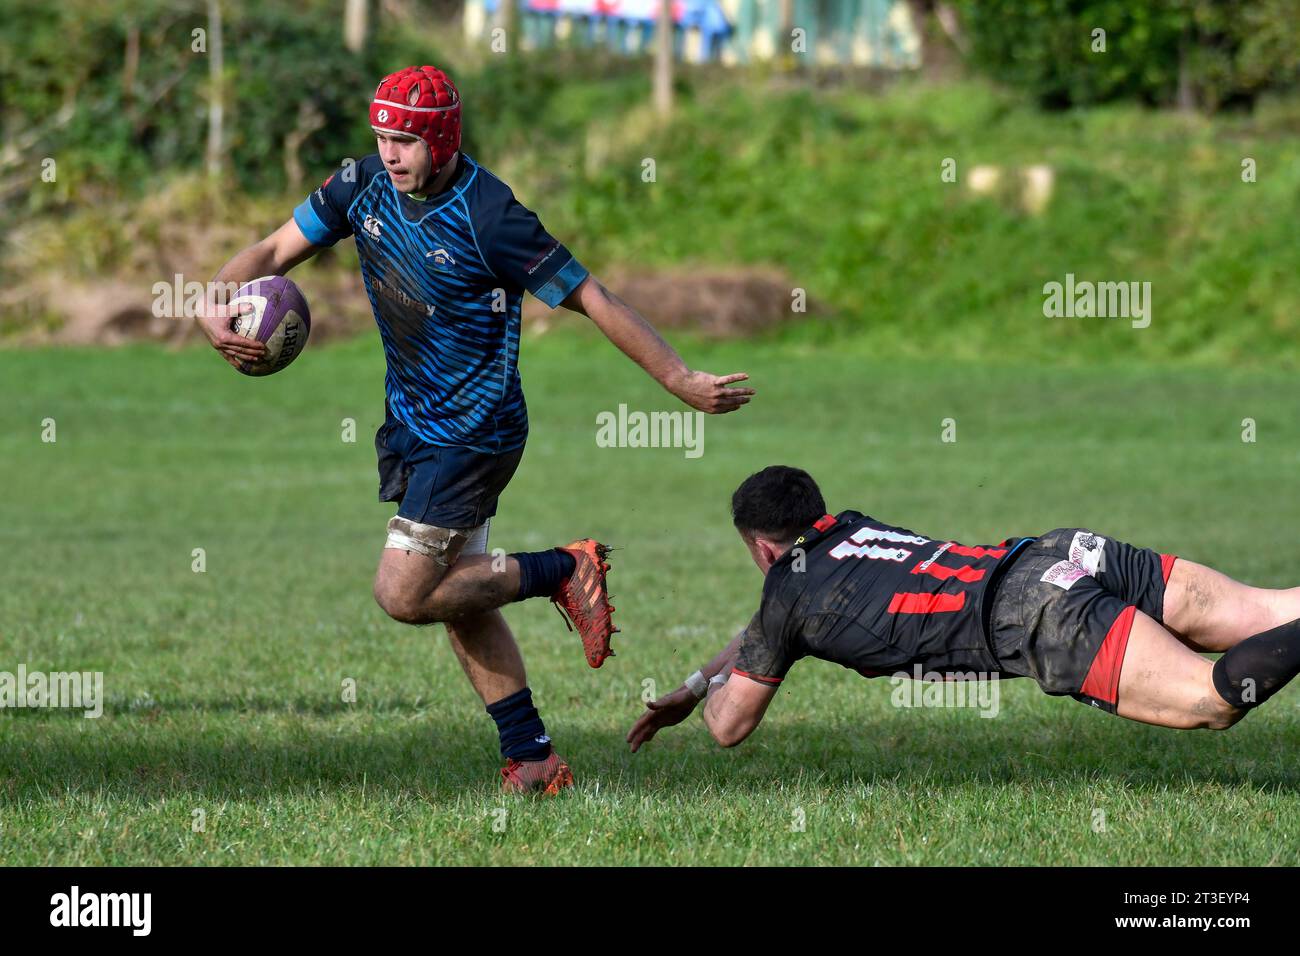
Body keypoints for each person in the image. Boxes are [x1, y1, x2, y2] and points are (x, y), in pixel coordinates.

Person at [197, 65, 754, 794]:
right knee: (463, 594)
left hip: (474, 431)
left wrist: (678, 378)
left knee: (404, 594)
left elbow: (593, 295)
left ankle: (564, 568)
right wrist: (215, 300)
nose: (390, 154)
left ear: (443, 139)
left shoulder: (490, 215)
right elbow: (270, 253)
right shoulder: (360, 186)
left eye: (406, 141)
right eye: (382, 138)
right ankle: (534, 758)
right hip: (412, 422)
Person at [628, 465, 1300, 752]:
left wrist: (711, 703)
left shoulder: (789, 600)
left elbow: (729, 729)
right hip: (1061, 552)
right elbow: (761, 637)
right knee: (1267, 609)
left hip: (1037, 614)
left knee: (1212, 701)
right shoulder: (848, 527)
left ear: (762, 550)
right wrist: (696, 683)